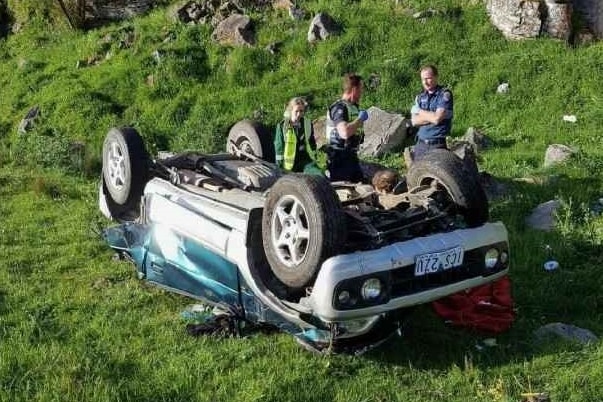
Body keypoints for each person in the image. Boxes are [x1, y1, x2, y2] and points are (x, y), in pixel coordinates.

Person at [325, 73, 369, 182]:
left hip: (351, 155)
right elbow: (344, 133)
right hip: (339, 157)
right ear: (354, 89)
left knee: (361, 187)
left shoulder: (352, 107)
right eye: (360, 89)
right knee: (343, 191)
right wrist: (360, 119)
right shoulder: (339, 107)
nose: (362, 93)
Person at [410, 64, 453, 161]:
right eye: (422, 79)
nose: (425, 82)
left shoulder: (444, 94)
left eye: (428, 78)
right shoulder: (420, 97)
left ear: (436, 77)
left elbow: (437, 119)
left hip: (437, 144)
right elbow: (414, 121)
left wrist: (419, 111)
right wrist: (432, 116)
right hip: (420, 145)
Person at [274, 97, 322, 175]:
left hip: (304, 160)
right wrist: (279, 168)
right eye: (296, 111)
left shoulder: (307, 124)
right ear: (291, 111)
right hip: (289, 166)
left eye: (301, 111)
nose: (299, 114)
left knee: (319, 175)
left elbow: (312, 144)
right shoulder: (282, 126)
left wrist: (317, 158)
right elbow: (279, 149)